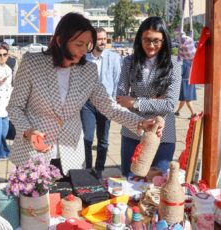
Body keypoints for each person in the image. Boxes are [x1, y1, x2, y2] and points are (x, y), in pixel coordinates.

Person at [7, 13, 164, 177]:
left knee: (70, 201)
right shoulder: (32, 63)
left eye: (87, 44)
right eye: (79, 44)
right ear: (60, 40)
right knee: (34, 202)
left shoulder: (88, 70)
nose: (84, 50)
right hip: (34, 153)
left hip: (71, 154)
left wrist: (140, 122)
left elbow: (110, 107)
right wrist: (28, 131)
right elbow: (15, 107)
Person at [116, 16, 181, 177]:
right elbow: (120, 98)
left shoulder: (174, 64)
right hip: (133, 130)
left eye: (156, 41)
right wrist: (157, 101)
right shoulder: (129, 62)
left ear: (164, 40)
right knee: (129, 181)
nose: (151, 45)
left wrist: (136, 102)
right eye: (146, 40)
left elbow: (170, 105)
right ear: (139, 39)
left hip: (162, 132)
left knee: (158, 184)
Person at [80, 27, 122, 177]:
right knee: (87, 138)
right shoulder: (84, 58)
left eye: (105, 39)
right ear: (92, 40)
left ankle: (99, 169)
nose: (103, 42)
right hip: (88, 104)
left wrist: (114, 104)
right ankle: (88, 168)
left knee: (103, 140)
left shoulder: (114, 58)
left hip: (106, 103)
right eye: (99, 39)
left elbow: (117, 81)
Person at [174, 30, 197, 119]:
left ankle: (193, 114)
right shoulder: (191, 60)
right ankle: (177, 111)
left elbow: (180, 74)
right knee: (183, 98)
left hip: (185, 82)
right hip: (190, 81)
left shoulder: (183, 62)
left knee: (187, 99)